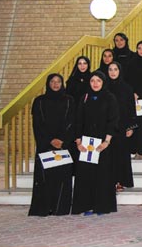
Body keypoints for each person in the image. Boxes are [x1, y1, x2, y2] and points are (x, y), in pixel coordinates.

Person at [72, 71, 119, 215]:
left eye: (98, 80)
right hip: (86, 144)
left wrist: (107, 141)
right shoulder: (84, 98)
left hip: (102, 144)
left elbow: (113, 120)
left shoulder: (110, 98)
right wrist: (78, 141)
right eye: (92, 80)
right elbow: (78, 120)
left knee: (102, 175)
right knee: (86, 175)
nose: (95, 83)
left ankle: (102, 206)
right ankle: (86, 206)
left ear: (103, 82)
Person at [28, 74, 75, 216]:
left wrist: (62, 140)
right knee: (45, 178)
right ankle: (44, 208)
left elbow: (72, 122)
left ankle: (60, 208)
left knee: (61, 177)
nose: (55, 84)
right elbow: (37, 124)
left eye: (58, 81)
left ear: (62, 83)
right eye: (52, 82)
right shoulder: (39, 101)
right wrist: (50, 140)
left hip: (63, 145)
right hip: (45, 145)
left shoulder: (69, 100)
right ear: (48, 83)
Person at [107, 62, 136, 192]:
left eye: (115, 69)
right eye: (110, 69)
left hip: (122, 126)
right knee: (108, 155)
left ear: (120, 71)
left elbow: (131, 109)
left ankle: (120, 181)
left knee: (121, 155)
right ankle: (109, 181)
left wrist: (130, 127)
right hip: (107, 127)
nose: (113, 72)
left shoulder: (127, 88)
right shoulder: (104, 87)